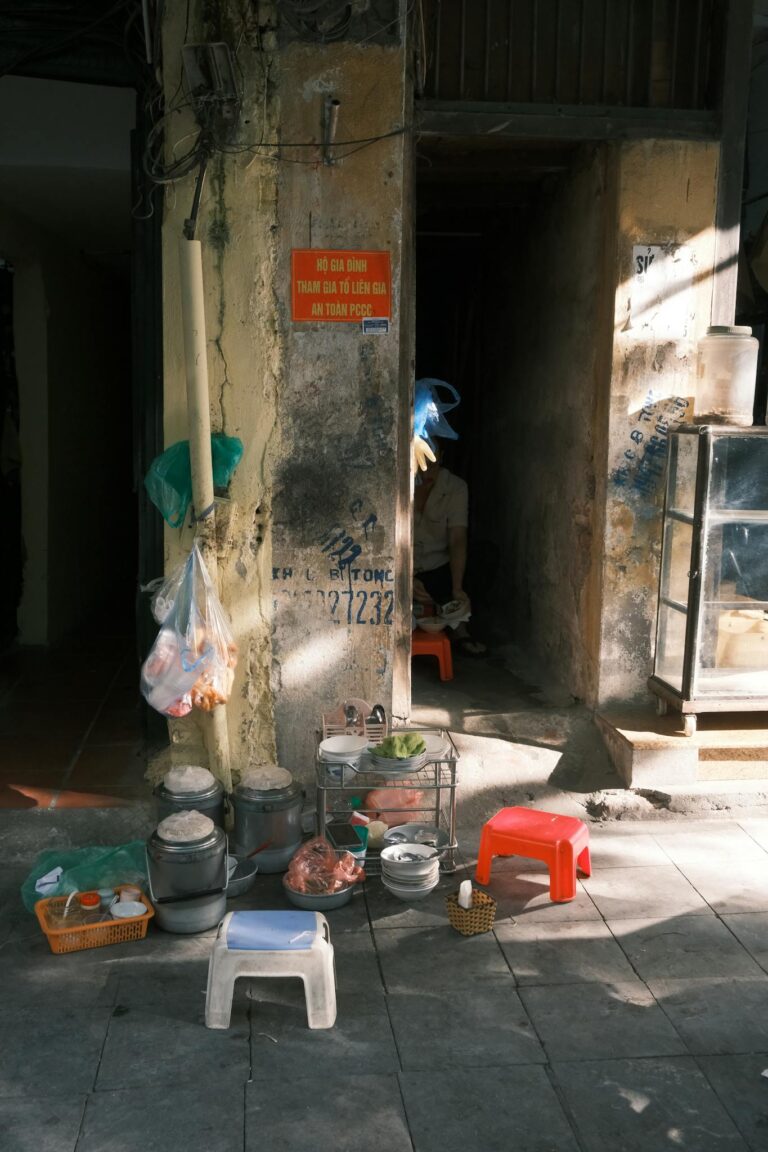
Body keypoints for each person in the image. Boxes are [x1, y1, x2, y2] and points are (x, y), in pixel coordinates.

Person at [412, 440, 486, 656]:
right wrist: (405, 579)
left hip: (437, 570)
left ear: (441, 457)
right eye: (419, 463)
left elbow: (457, 539)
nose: (425, 472)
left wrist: (457, 588)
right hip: (402, 571)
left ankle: (459, 628)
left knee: (484, 556)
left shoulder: (455, 487)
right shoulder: (398, 482)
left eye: (431, 463)